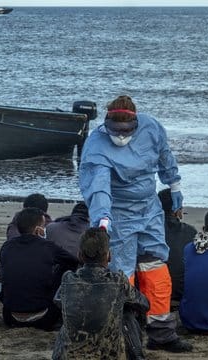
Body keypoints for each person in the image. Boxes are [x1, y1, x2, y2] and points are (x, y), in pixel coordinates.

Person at [79, 95, 191, 352]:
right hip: (118, 213)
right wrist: (102, 218)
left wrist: (174, 185)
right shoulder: (97, 145)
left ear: (135, 122)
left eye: (126, 130)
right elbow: (98, 186)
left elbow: (164, 156)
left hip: (149, 209)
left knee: (155, 267)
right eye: (115, 131)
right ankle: (122, 331)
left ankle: (161, 331)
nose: (120, 136)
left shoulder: (151, 128)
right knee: (122, 274)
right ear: (107, 124)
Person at [52, 228, 149, 360]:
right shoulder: (118, 280)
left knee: (68, 321)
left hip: (69, 355)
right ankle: (138, 356)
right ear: (109, 255)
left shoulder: (68, 279)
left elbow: (58, 300)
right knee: (127, 314)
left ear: (80, 255)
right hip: (109, 355)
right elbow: (144, 304)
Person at [0, 207, 79, 331]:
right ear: (38, 230)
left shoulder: (7, 247)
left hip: (10, 317)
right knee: (66, 268)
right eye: (44, 226)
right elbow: (73, 262)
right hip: (45, 318)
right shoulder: (48, 247)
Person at [158, 188, 196, 305]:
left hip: (156, 292)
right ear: (177, 211)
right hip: (182, 293)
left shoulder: (150, 233)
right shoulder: (191, 232)